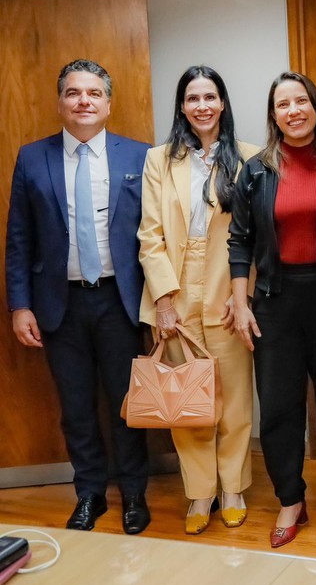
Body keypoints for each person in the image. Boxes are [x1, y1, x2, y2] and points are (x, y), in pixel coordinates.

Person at [5, 59, 151, 534]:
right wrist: (20, 304)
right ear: (61, 102)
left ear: (109, 103)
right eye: (73, 92)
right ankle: (90, 493)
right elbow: (19, 238)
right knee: (76, 406)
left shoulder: (139, 156)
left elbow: (155, 236)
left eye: (93, 93)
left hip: (120, 302)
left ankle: (133, 494)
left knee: (127, 403)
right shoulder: (32, 157)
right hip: (59, 304)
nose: (83, 101)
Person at [228, 72, 316, 548]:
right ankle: (290, 499)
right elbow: (239, 241)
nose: (294, 111)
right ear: (273, 115)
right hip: (275, 303)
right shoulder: (257, 170)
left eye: (301, 100)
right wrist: (241, 305)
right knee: (279, 408)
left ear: (315, 106)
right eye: (283, 104)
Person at [138, 66, 259, 534]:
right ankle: (200, 493)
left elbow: (256, 234)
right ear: (182, 106)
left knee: (233, 397)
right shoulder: (159, 160)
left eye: (210, 96)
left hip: (227, 283)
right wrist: (163, 300)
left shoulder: (249, 158)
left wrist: (241, 295)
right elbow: (149, 235)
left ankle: (233, 486)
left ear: (223, 103)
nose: (202, 106)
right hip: (174, 284)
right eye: (193, 98)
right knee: (185, 396)